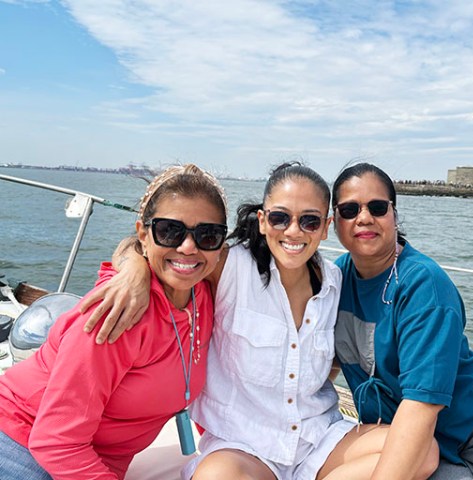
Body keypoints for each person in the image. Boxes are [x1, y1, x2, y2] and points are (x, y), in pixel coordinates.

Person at [80, 162, 439, 480]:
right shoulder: (229, 267)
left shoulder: (335, 281)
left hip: (319, 438)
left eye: (309, 220)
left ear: (326, 227)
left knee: (423, 451)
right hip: (244, 445)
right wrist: (132, 269)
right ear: (264, 221)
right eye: (281, 217)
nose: (294, 231)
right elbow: (164, 251)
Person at [330, 163, 473, 480]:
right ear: (335, 222)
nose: (364, 217)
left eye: (377, 207)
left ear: (394, 215)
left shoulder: (423, 285)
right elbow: (323, 362)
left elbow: (420, 407)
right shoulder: (333, 281)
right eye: (349, 209)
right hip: (399, 433)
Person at [0, 164, 228, 479]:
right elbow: (56, 441)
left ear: (221, 245)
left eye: (208, 235)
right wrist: (133, 265)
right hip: (21, 444)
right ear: (144, 235)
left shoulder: (204, 296)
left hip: (96, 460)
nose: (189, 247)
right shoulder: (118, 313)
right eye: (169, 231)